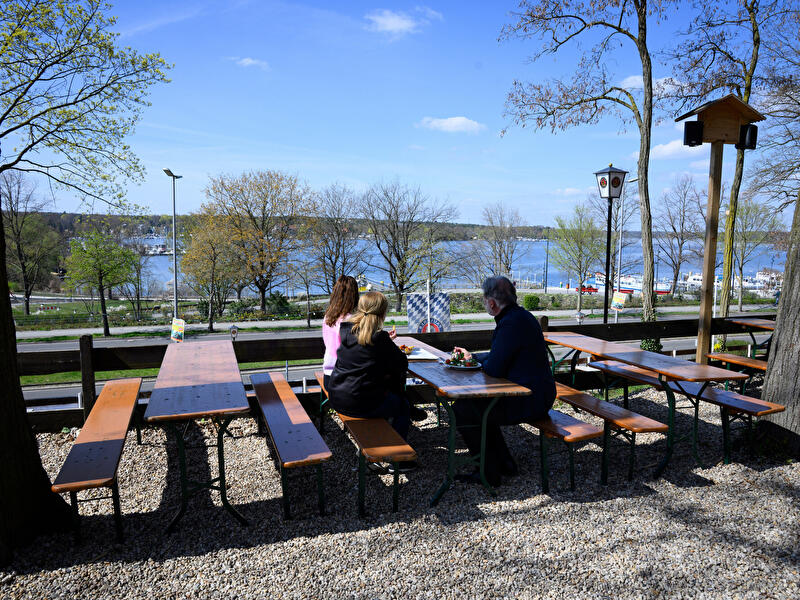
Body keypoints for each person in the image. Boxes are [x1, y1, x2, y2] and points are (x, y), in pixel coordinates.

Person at [452, 276, 556, 487]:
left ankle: (488, 473)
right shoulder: (520, 317)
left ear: (492, 303)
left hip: (531, 400)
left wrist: (476, 362)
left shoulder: (510, 324)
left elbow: (494, 367)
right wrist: (473, 357)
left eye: (484, 301)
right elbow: (498, 355)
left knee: (464, 410)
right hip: (539, 393)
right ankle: (504, 463)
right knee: (477, 407)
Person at [328, 291, 424, 472]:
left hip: (337, 397)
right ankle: (398, 459)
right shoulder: (379, 338)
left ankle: (380, 445)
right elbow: (401, 364)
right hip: (359, 401)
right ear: (382, 314)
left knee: (387, 399)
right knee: (402, 405)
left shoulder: (346, 331)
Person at [322, 275, 360, 393]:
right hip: (344, 379)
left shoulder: (328, 317)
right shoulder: (350, 321)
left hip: (328, 376)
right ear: (353, 296)